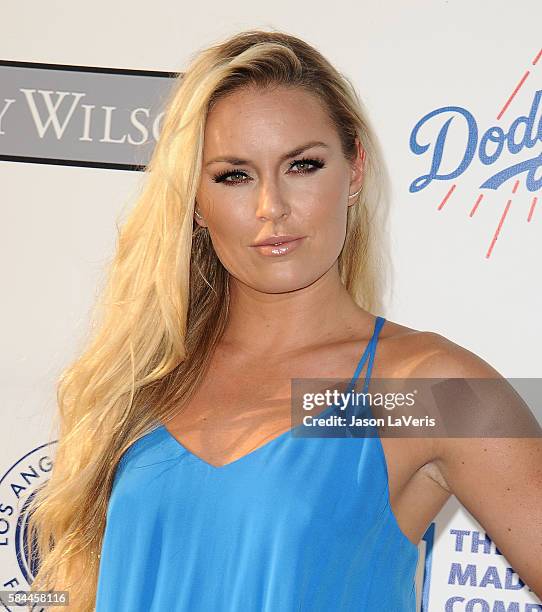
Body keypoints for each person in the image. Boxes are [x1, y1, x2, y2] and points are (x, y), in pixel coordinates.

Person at [27, 29, 542, 611]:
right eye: (234, 175)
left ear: (353, 171)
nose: (271, 206)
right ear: (195, 199)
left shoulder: (425, 390)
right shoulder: (141, 381)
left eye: (302, 165)